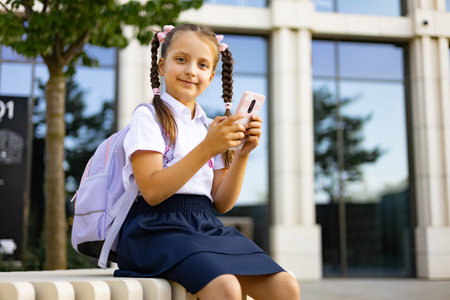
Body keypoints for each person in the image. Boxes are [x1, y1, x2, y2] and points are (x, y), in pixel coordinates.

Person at [114, 23, 300, 300]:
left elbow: (221, 202)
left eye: (202, 65)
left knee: (285, 286)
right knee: (225, 287)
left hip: (204, 225)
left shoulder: (208, 127)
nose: (191, 70)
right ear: (162, 66)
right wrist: (208, 147)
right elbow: (151, 192)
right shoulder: (148, 116)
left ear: (211, 76)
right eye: (181, 60)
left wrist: (242, 154)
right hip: (156, 229)